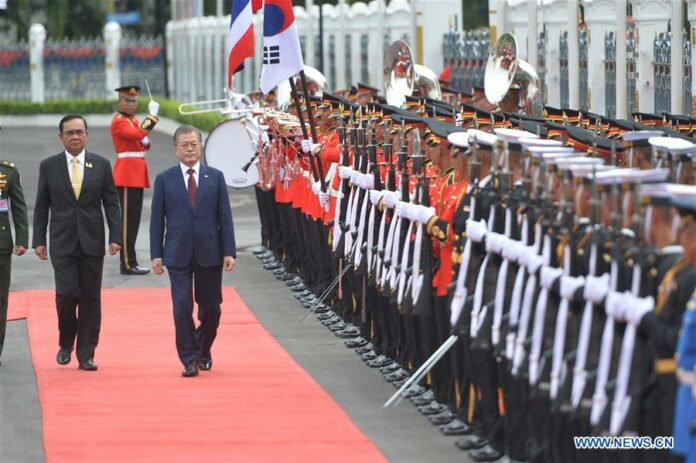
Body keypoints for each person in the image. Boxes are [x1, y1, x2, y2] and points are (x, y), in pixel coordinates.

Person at [32, 115, 122, 371]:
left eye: (79, 132)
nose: (75, 136)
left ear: (87, 135)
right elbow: (41, 206)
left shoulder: (102, 165)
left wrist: (116, 236)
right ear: (60, 137)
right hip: (62, 242)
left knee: (91, 298)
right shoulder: (49, 166)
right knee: (67, 294)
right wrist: (38, 239)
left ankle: (86, 353)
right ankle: (65, 342)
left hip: (92, 242)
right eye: (69, 133)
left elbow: (112, 204)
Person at [150, 125, 236, 377]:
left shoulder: (215, 177)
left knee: (211, 309)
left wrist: (229, 251)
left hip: (210, 251)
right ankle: (189, 358)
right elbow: (157, 220)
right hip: (177, 252)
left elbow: (225, 217)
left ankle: (202, 348)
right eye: (185, 145)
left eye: (194, 144)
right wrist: (157, 254)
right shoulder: (165, 179)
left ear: (201, 146)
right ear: (176, 149)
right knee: (181, 306)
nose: (190, 149)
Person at [110, 85, 160, 275]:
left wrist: (145, 141)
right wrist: (153, 117)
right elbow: (138, 134)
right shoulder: (119, 121)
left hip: (135, 173)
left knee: (134, 221)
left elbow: (140, 139)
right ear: (119, 102)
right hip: (126, 174)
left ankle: (131, 261)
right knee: (127, 224)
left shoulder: (133, 120)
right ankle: (127, 264)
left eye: (134, 101)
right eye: (127, 101)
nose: (132, 104)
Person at [0, 132, 29, 366]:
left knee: (0, 299)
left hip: (1, 244)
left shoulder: (7, 171)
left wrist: (22, 238)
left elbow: (18, 208)